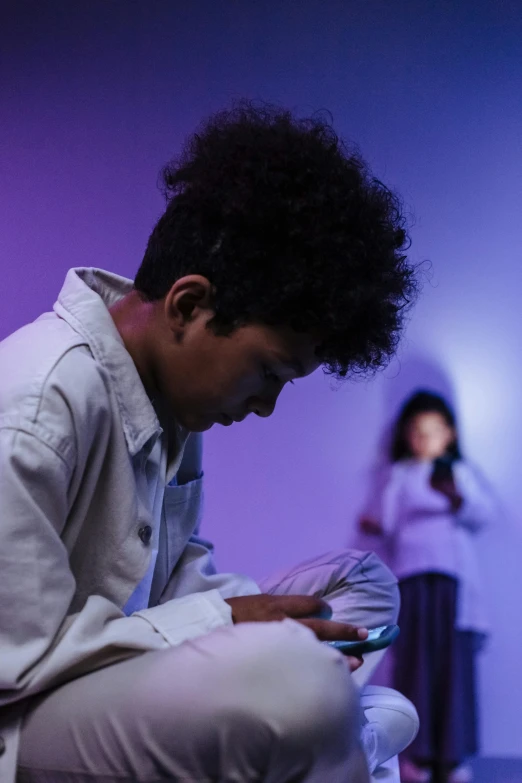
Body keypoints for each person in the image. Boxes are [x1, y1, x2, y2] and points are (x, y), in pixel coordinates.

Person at [0, 102, 418, 783]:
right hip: (27, 714)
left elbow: (165, 578)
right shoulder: (37, 403)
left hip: (118, 669)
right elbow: (14, 664)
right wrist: (225, 621)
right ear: (189, 306)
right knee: (304, 684)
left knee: (360, 585)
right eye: (269, 371)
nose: (265, 405)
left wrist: (249, 621)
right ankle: (327, 733)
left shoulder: (168, 401)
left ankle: (319, 734)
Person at [359, 391, 494, 783]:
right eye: (417, 432)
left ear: (449, 434)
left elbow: (482, 513)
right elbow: (385, 520)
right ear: (406, 435)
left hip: (453, 583)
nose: (424, 439)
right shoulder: (400, 474)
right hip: (411, 579)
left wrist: (456, 497)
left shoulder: (459, 472)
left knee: (453, 667)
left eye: (433, 431)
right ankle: (414, 756)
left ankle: (451, 759)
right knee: (415, 664)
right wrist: (372, 525)